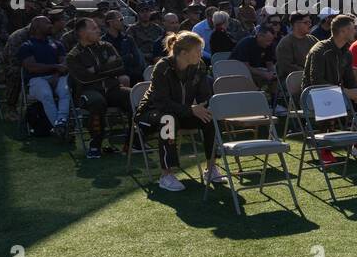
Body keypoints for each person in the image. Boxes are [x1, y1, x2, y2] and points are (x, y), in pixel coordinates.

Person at [135, 30, 225, 192]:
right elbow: (161, 102)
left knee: (210, 117)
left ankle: (211, 168)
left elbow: (204, 95)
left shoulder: (199, 66)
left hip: (181, 112)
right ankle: (166, 175)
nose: (201, 54)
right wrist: (190, 109)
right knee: (168, 120)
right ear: (183, 53)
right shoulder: (163, 67)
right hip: (151, 113)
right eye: (197, 51)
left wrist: (205, 107)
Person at [304, 13, 357, 160]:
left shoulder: (346, 52)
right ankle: (323, 148)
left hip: (335, 92)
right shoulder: (320, 50)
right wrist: (345, 92)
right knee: (329, 97)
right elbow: (316, 81)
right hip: (313, 95)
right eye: (353, 28)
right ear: (343, 31)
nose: (356, 31)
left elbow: (350, 80)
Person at [67, 17, 131, 158]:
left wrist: (94, 69)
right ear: (82, 33)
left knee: (135, 97)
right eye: (94, 28)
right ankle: (95, 144)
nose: (99, 30)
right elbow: (83, 78)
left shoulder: (106, 46)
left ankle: (133, 142)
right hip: (88, 91)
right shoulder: (73, 56)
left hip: (112, 89)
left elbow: (119, 66)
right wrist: (108, 67)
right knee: (97, 102)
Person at [19, 15, 73, 138]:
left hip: (57, 77)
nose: (51, 25)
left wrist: (56, 73)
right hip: (36, 79)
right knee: (46, 95)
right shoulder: (27, 46)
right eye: (47, 23)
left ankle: (60, 124)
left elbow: (64, 63)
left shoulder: (57, 44)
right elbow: (32, 67)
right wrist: (55, 67)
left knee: (65, 91)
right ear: (37, 28)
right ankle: (59, 129)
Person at [231, 23, 279, 93]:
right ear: (259, 36)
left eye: (271, 41)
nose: (269, 43)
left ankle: (272, 99)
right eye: (268, 41)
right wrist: (264, 74)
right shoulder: (246, 44)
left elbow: (269, 63)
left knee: (275, 79)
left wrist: (272, 73)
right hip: (237, 72)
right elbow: (245, 67)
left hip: (255, 71)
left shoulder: (268, 45)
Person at [275, 12, 317, 85]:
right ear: (296, 24)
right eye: (306, 22)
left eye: (310, 22)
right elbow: (287, 67)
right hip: (293, 80)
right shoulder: (285, 43)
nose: (310, 25)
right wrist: (310, 72)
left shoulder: (312, 40)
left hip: (313, 77)